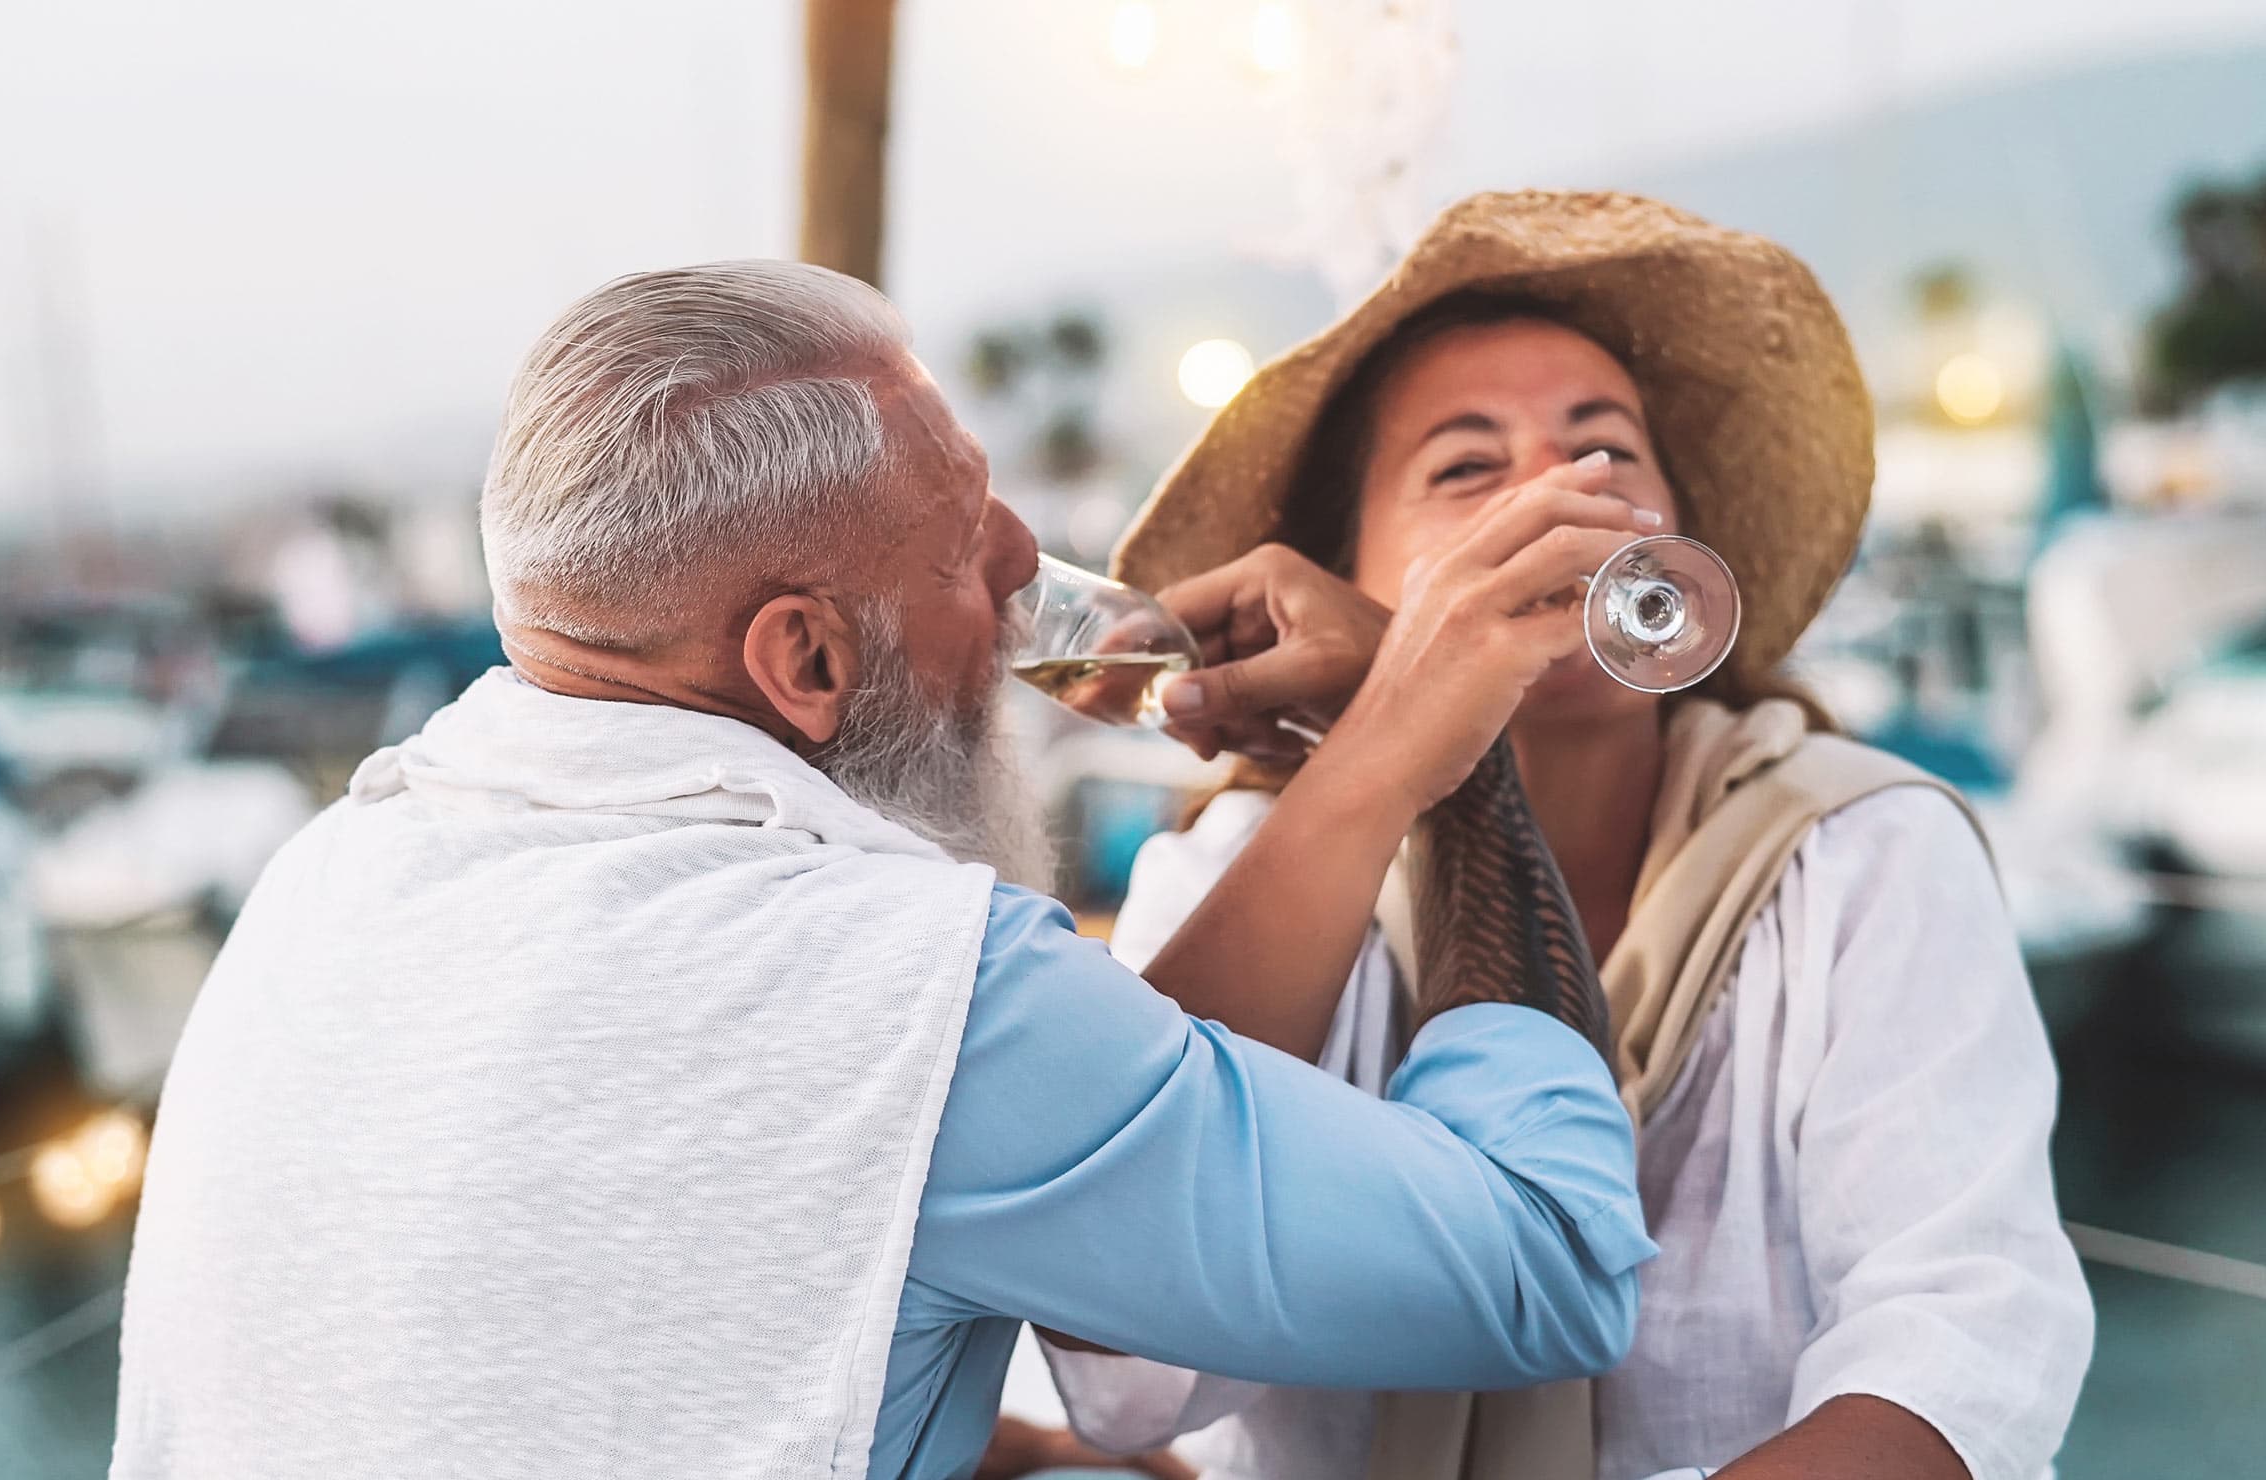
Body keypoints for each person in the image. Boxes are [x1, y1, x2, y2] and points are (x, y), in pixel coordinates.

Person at [109, 259, 1660, 1480]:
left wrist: (1377, 749)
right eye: (965, 549)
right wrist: (1454, 768)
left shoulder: (338, 868)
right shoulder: (890, 978)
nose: (1020, 572)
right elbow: (1550, 1260)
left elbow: (1106, 1113)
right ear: (805, 657)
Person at [1038, 192, 2094, 1480]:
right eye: (1468, 469)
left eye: (1607, 452)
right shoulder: (1225, 875)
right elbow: (1123, 1368)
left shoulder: (1865, 849)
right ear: (1347, 584)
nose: (1559, 497)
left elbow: (1964, 1344)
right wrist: (1391, 750)